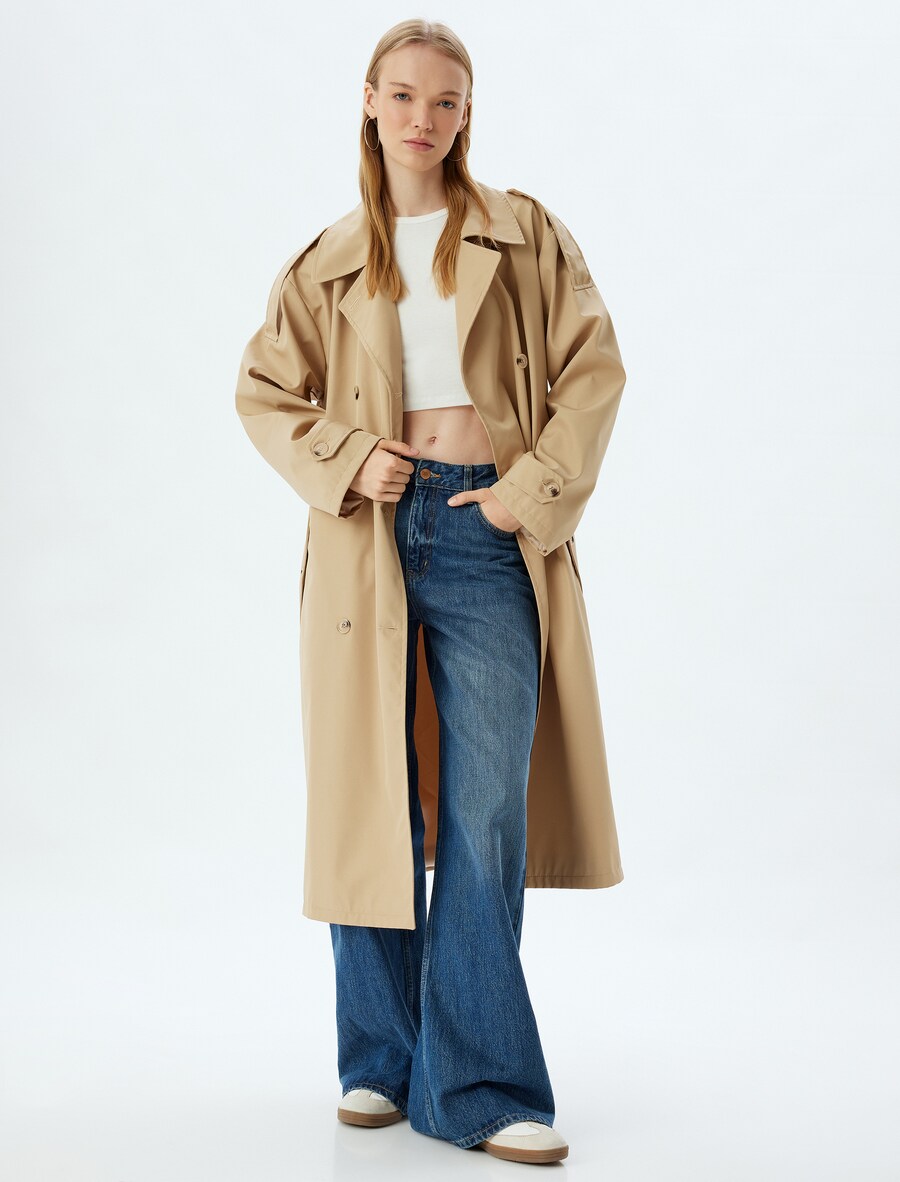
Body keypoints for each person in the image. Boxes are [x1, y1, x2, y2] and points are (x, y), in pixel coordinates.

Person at [234, 18, 627, 1167]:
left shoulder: (523, 233)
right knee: (372, 797)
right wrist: (350, 457)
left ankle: (484, 1083)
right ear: (369, 101)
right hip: (367, 534)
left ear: (466, 115)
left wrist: (524, 495)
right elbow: (264, 393)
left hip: (482, 529)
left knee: (484, 808)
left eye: (445, 100)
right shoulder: (326, 259)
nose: (423, 117)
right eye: (402, 95)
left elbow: (594, 371)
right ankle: (381, 1057)